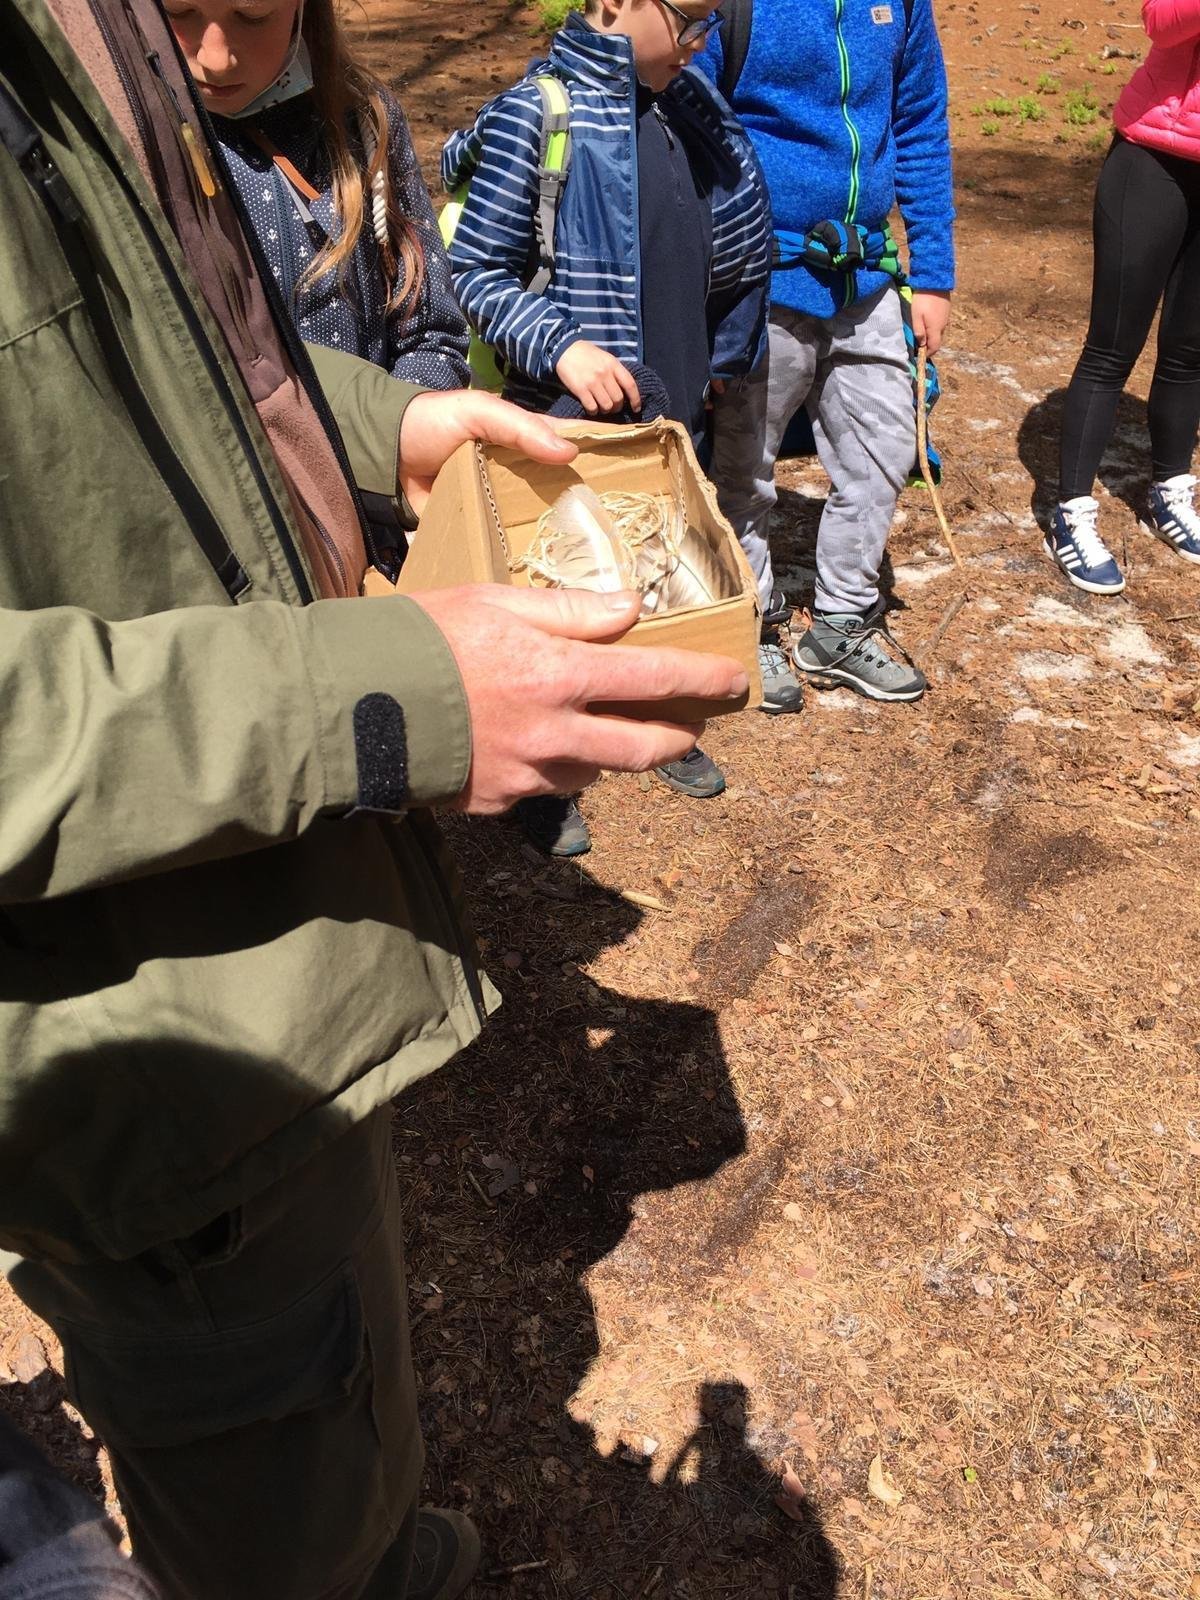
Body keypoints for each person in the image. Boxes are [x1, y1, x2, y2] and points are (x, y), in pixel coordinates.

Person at [0, 3, 747, 1597]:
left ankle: (376, 1543)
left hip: (288, 954)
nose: (216, 45)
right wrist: (381, 700)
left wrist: (372, 423)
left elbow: (161, 347)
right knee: (266, 1486)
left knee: (334, 1365)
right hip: (141, 1035)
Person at [441, 0, 772, 857]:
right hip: (575, 411)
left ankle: (657, 712)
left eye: (712, 23)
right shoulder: (538, 113)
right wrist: (560, 346)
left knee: (658, 559)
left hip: (672, 401)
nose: (701, 42)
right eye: (690, 19)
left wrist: (726, 352)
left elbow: (733, 236)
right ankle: (546, 769)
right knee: (568, 575)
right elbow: (473, 270)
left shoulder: (691, 108)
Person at [699, 0, 955, 709]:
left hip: (867, 279)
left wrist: (934, 273)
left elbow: (920, 121)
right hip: (760, 277)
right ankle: (747, 618)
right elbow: (688, 126)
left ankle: (841, 622)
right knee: (743, 466)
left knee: (884, 452)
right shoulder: (733, 7)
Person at [165, 0, 470, 558]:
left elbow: (432, 333)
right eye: (179, 11)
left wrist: (403, 442)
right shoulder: (138, 156)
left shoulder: (366, 122)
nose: (216, 56)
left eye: (254, 15)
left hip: (382, 541)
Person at [1046, 0, 1200, 595]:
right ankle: (1071, 513)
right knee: (1112, 347)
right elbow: (1161, 20)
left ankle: (1171, 492)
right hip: (1153, 158)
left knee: (1190, 349)